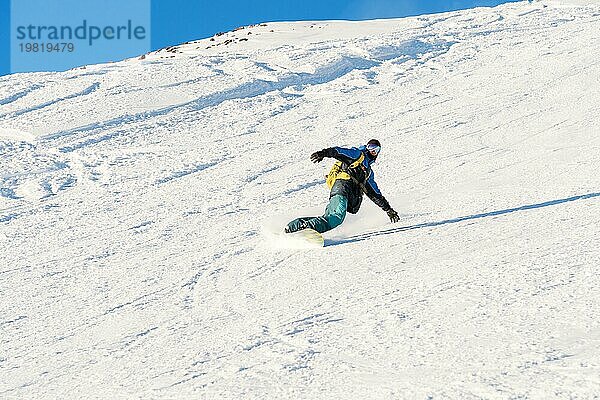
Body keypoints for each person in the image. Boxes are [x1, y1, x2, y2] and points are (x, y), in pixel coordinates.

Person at [286, 139, 400, 234]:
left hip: (344, 192)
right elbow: (340, 152)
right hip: (342, 187)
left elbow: (375, 194)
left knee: (329, 217)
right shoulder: (358, 155)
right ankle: (303, 230)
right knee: (336, 218)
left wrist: (388, 210)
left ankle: (293, 227)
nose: (373, 151)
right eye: (371, 147)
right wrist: (323, 153)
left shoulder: (368, 173)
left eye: (376, 149)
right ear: (366, 147)